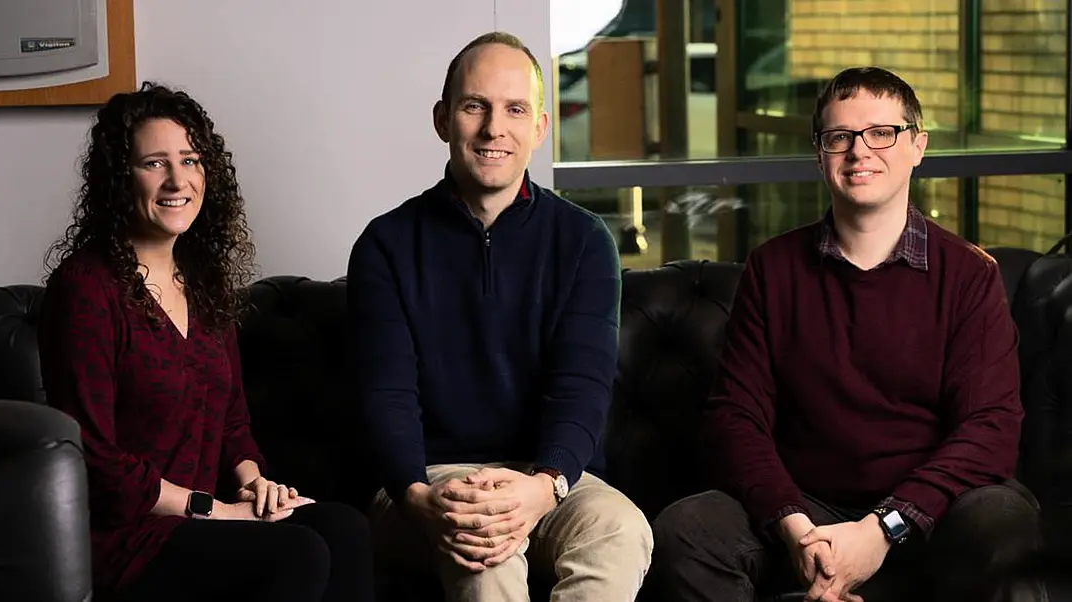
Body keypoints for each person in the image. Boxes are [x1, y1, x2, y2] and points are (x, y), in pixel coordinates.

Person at [643, 67, 1042, 602]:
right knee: (685, 531)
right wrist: (797, 530)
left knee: (1000, 520)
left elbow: (989, 430)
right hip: (810, 510)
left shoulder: (969, 275)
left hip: (930, 514)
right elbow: (736, 418)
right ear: (820, 153)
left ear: (917, 147)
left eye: (882, 133)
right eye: (840, 138)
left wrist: (882, 529)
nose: (860, 152)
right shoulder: (773, 269)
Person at [38, 82, 374, 602]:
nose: (178, 180)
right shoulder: (86, 288)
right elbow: (93, 457)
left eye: (191, 160)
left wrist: (253, 484)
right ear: (118, 177)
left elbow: (231, 421)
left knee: (345, 529)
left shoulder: (202, 283)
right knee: (297, 554)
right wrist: (214, 510)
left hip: (204, 519)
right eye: (154, 163)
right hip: (124, 539)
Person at [347, 31, 653, 601]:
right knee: (483, 545)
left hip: (551, 481)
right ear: (442, 120)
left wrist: (544, 485)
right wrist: (416, 496)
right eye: (474, 106)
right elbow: (386, 396)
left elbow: (582, 388)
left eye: (514, 109)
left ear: (539, 127)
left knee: (620, 530)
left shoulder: (584, 240)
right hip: (426, 484)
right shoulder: (386, 244)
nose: (494, 129)